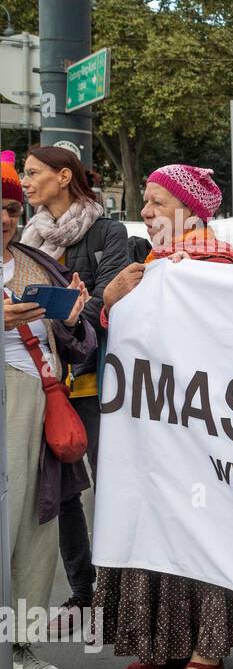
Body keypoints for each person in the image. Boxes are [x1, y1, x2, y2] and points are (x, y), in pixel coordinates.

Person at [92, 165, 233, 669]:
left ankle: (207, 653)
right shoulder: (152, 264)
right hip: (154, 422)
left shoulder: (218, 265)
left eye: (156, 203)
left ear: (191, 211)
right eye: (144, 202)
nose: (145, 212)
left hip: (203, 427)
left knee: (202, 527)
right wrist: (110, 300)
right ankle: (168, 637)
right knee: (157, 522)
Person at [19, 145, 130, 633]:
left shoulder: (110, 232)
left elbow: (111, 305)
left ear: (64, 177)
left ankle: (120, 592)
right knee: (62, 494)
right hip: (47, 382)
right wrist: (71, 306)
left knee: (112, 486)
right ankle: (83, 592)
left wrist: (65, 308)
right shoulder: (28, 240)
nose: (25, 182)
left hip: (100, 381)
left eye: (33, 173)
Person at [3, 150, 95, 669]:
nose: (6, 218)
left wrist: (74, 314)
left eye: (12, 208)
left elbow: (78, 346)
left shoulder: (39, 263)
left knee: (37, 525)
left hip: (40, 401)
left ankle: (22, 645)